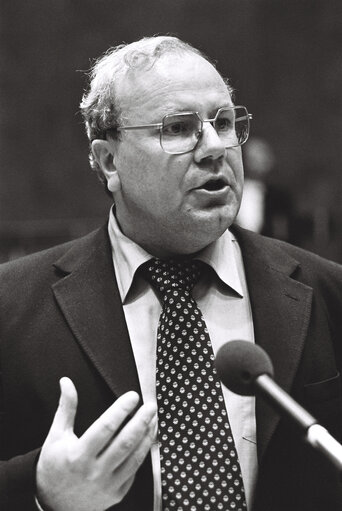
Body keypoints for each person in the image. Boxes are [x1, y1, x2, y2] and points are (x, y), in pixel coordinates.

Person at [0, 35, 342, 511]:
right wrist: (41, 493)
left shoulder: (328, 293)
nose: (215, 148)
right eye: (179, 128)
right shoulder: (11, 307)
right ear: (109, 161)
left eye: (224, 122)